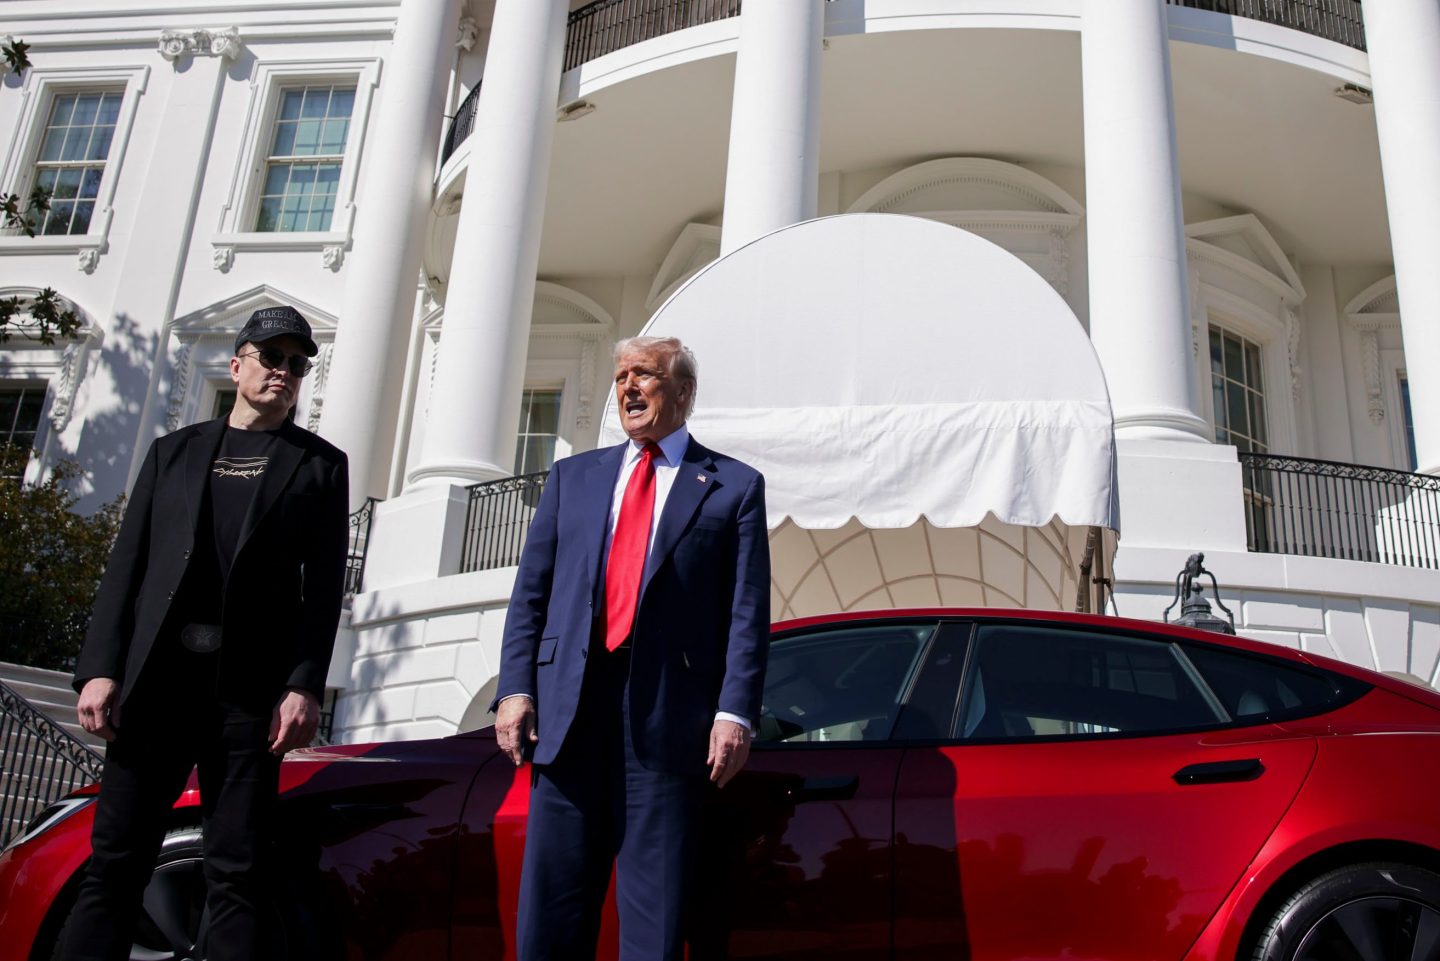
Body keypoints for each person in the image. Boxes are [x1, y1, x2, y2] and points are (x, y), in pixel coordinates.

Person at [64, 304, 350, 961]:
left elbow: (322, 591)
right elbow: (127, 566)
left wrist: (303, 684)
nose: (284, 371)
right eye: (272, 357)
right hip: (157, 685)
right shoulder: (174, 452)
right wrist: (100, 667)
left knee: (237, 870)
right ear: (238, 363)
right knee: (115, 862)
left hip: (247, 699)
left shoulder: (319, 466)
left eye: (298, 363)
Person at [492, 335, 770, 960]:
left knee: (654, 923)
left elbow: (746, 611)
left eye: (645, 374)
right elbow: (530, 595)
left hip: (668, 726)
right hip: (569, 718)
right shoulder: (573, 478)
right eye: (621, 376)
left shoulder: (733, 486)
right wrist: (515, 689)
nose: (629, 387)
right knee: (551, 918)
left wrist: (735, 712)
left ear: (683, 392)